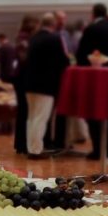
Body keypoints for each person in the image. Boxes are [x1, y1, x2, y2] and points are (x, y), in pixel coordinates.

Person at [75, 3, 108, 160]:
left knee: (94, 113)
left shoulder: (91, 29)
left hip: (94, 78)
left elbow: (82, 54)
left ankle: (98, 149)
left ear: (93, 14)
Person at [22, 13, 71, 159]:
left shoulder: (34, 38)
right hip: (46, 85)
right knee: (40, 118)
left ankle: (31, 147)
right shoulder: (55, 39)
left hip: (29, 84)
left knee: (31, 118)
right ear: (54, 24)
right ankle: (36, 150)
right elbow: (64, 61)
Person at [14, 15, 40, 154]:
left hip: (22, 77)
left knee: (24, 111)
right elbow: (24, 58)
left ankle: (22, 144)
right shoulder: (24, 38)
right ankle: (22, 144)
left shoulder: (23, 37)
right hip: (23, 77)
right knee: (24, 111)